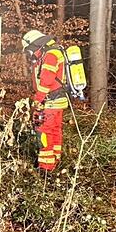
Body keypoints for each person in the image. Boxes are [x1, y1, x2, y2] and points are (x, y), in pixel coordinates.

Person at [22, 29, 69, 172]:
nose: (29, 55)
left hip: (49, 102)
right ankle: (55, 160)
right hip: (58, 101)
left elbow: (46, 81)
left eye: (28, 51)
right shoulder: (54, 51)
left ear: (34, 45)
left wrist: (37, 101)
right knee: (55, 131)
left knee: (44, 132)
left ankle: (46, 168)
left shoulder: (50, 55)